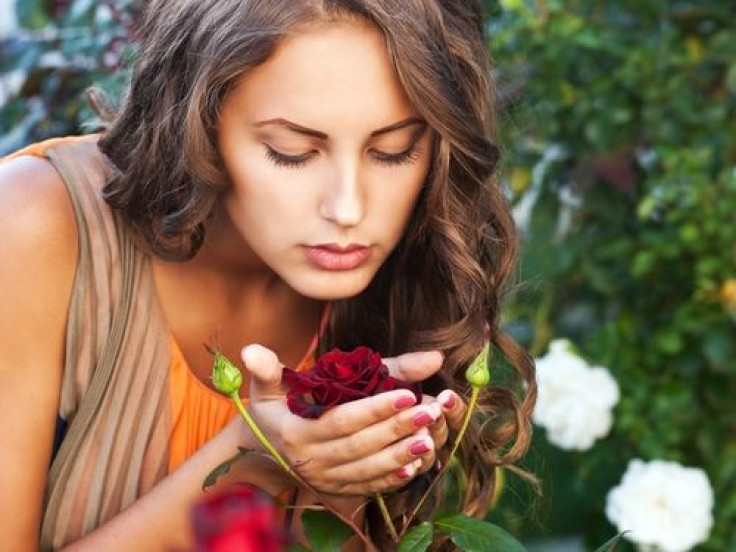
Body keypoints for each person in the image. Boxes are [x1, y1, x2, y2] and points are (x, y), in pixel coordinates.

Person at [0, 0, 536, 550]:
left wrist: (353, 475)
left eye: (392, 151)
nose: (348, 209)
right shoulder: (32, 225)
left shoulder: (399, 278)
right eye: (292, 152)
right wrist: (255, 463)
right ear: (198, 123)